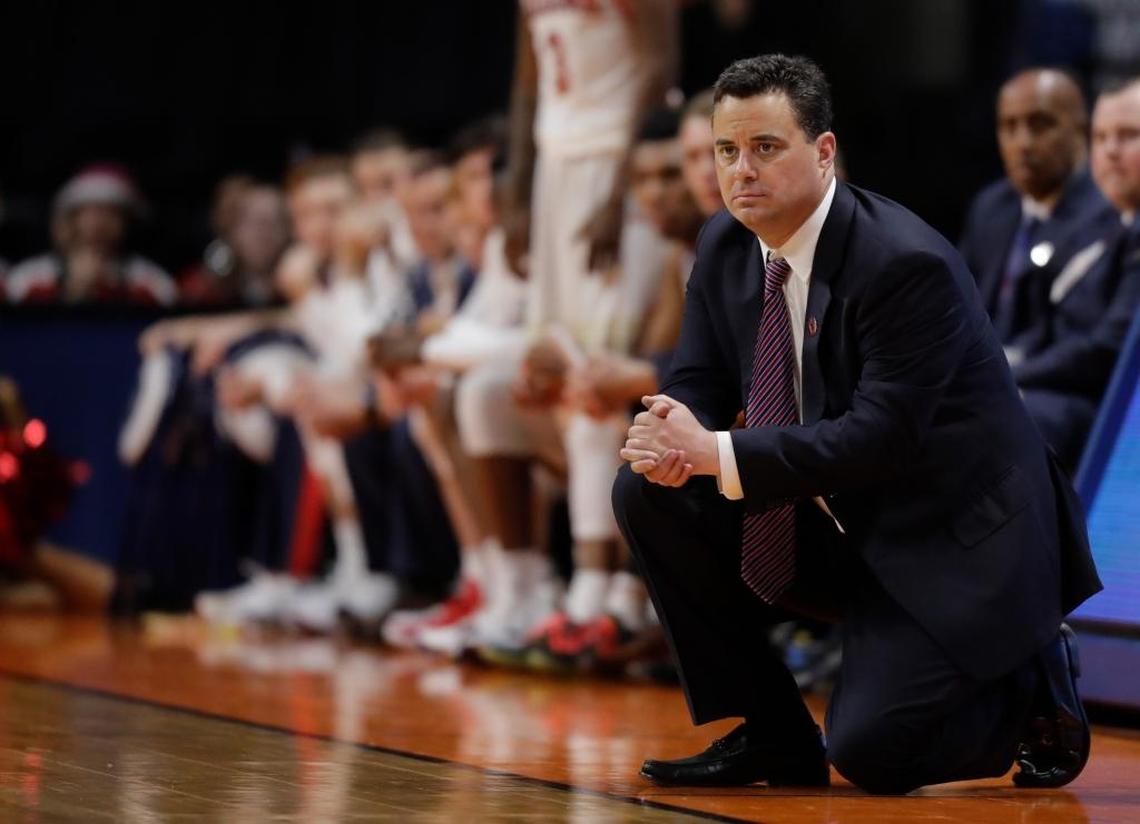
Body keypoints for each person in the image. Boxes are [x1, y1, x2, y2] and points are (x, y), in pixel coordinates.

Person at [612, 54, 1101, 795]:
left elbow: (880, 440)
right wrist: (670, 431)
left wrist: (712, 450)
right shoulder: (724, 242)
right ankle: (773, 735)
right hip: (843, 519)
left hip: (955, 542)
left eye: (765, 147)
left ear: (824, 151)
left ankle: (1030, 672)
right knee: (646, 491)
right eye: (726, 150)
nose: (741, 170)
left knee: (874, 755)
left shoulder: (904, 263)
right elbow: (699, 379)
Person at [1012, 78, 1140, 468]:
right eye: (1100, 138)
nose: (1110, 150)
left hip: (1100, 409)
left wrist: (1015, 374)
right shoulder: (1095, 226)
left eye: (1128, 136)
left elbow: (1110, 349)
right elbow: (1043, 323)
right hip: (1054, 390)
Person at [960, 68, 1114, 342]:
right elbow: (958, 303)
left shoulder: (1107, 215)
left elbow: (1090, 344)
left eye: (1040, 124)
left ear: (1080, 130)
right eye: (1009, 126)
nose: (1023, 143)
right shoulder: (991, 207)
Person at [6, 165, 176, 306]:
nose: (99, 223)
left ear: (126, 222)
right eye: (90, 212)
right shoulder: (30, 278)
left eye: (111, 213)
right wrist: (72, 291)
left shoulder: (152, 281)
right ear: (70, 220)